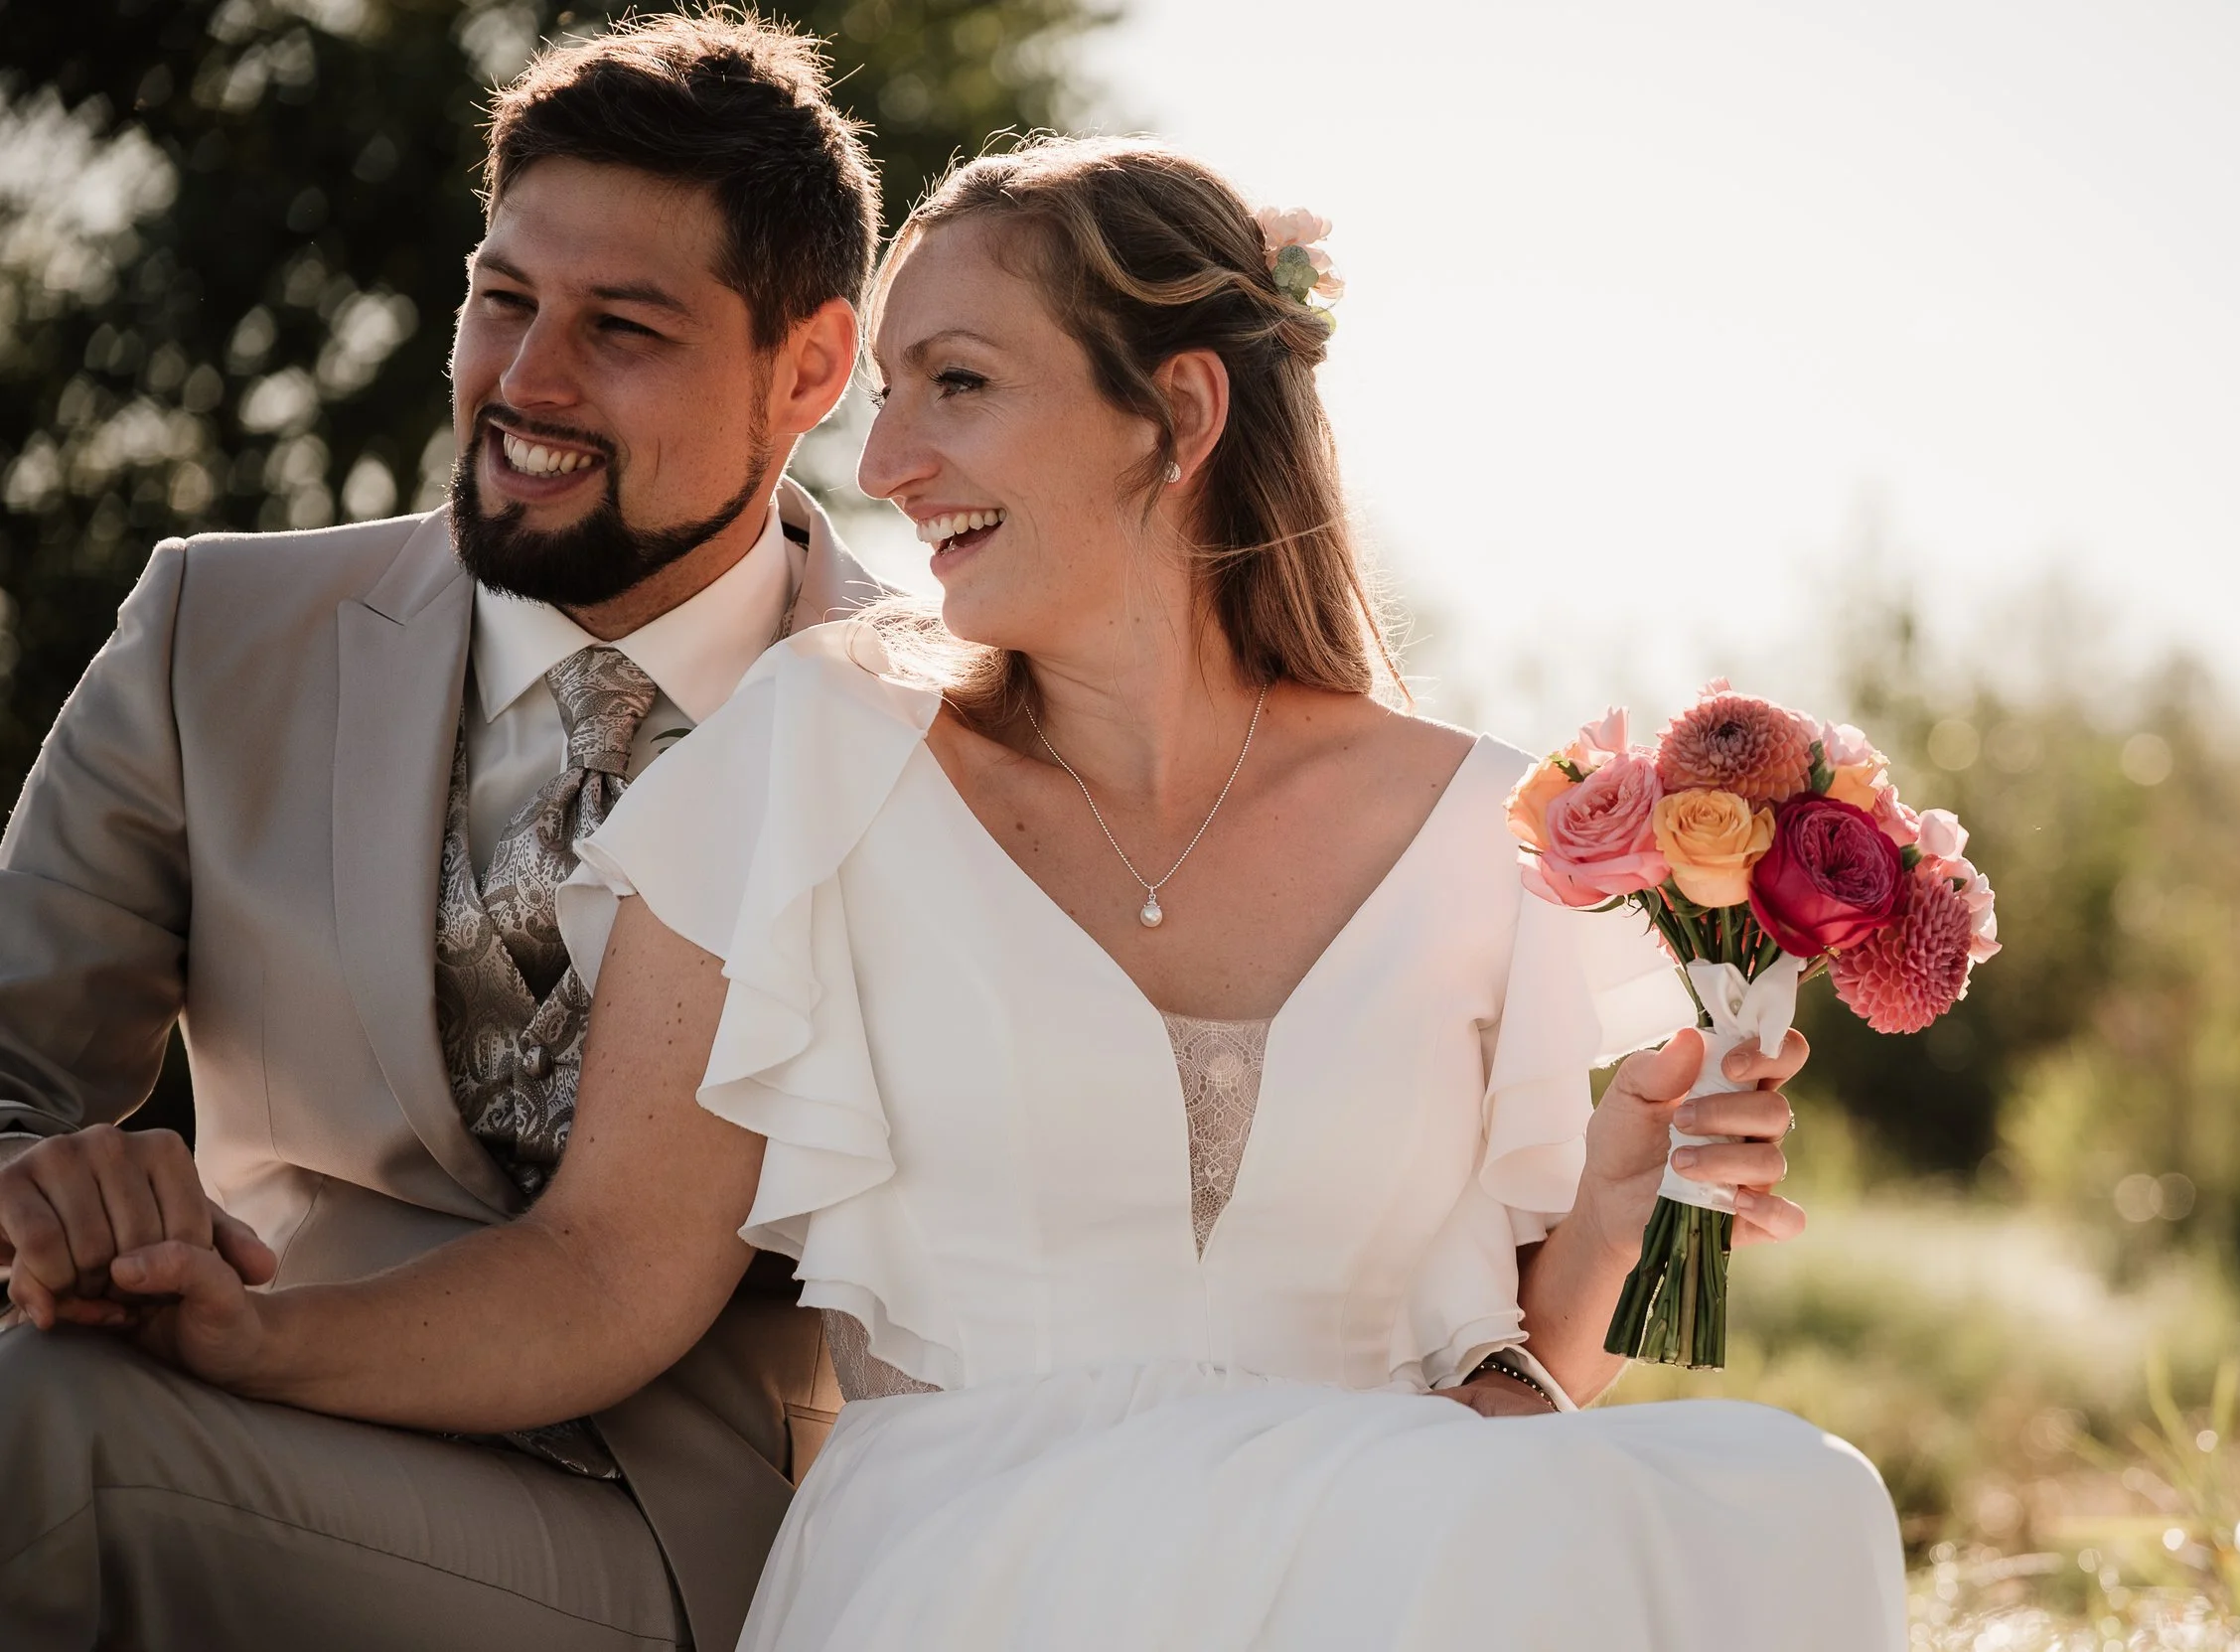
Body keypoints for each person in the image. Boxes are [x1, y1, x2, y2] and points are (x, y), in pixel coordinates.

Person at [70, 137, 1908, 1647]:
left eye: (957, 386)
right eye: (884, 397)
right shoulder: (814, 762)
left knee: (1781, 1503)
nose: (882, 469)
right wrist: (255, 1336)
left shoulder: (1481, 824)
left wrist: (1610, 1208)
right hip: (983, 1562)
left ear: (1175, 413)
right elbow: (611, 1272)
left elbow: (1509, 1391)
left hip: (1375, 1556)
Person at [0, 15, 886, 1650]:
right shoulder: (220, 629)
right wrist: (44, 1192)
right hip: (235, 1407)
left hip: (681, 1534)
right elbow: (10, 1067)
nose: (526, 383)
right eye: (502, 299)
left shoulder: (935, 732)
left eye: (622, 328)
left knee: (33, 1431)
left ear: (812, 370)